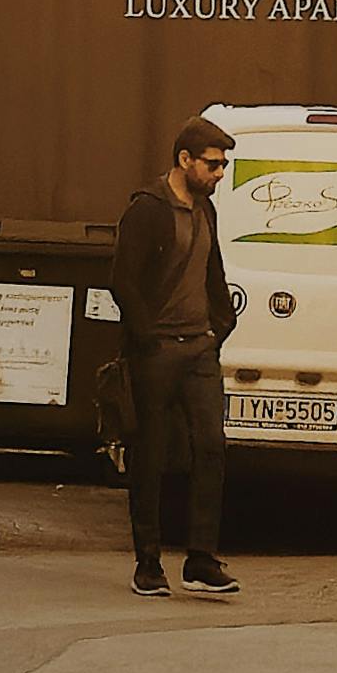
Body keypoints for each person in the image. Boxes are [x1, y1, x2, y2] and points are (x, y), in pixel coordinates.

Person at [110, 115, 239, 601]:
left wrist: (219, 327)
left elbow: (213, 272)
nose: (219, 174)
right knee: (151, 455)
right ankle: (148, 562)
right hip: (157, 353)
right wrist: (147, 340)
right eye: (212, 164)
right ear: (184, 160)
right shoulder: (148, 209)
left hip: (199, 350)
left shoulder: (206, 210)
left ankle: (201, 559)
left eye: (223, 165)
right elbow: (123, 281)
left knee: (211, 447)